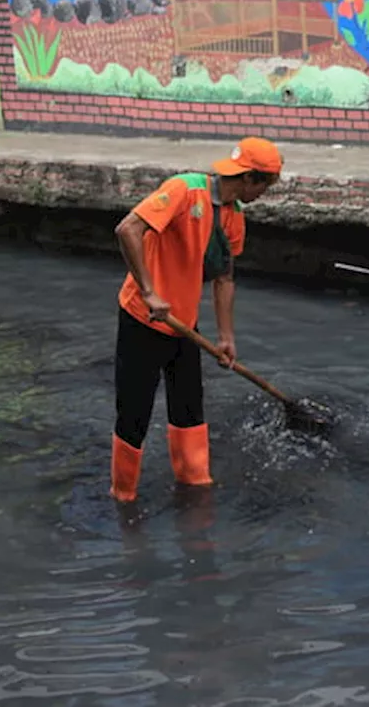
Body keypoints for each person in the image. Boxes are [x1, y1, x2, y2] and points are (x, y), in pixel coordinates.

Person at [109, 137, 283, 503]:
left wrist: (226, 337)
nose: (264, 194)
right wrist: (149, 290)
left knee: (189, 407)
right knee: (135, 411)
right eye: (265, 186)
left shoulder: (234, 217)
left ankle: (195, 482)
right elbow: (128, 230)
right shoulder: (184, 190)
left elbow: (224, 278)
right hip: (144, 318)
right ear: (250, 178)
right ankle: (123, 493)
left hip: (183, 324)